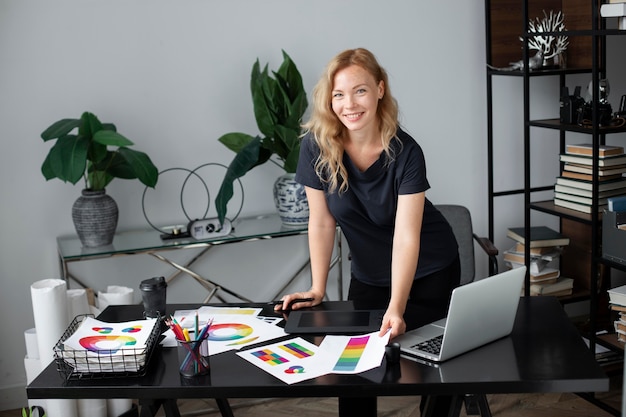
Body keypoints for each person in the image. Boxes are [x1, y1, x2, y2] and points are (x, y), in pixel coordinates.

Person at [276, 48, 460, 416]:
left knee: (438, 369)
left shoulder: (406, 152)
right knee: (354, 375)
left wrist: (397, 305)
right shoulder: (316, 145)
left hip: (431, 270)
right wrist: (317, 287)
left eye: (359, 91)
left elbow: (407, 236)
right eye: (339, 94)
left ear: (379, 89)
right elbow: (322, 221)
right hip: (369, 277)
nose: (349, 104)